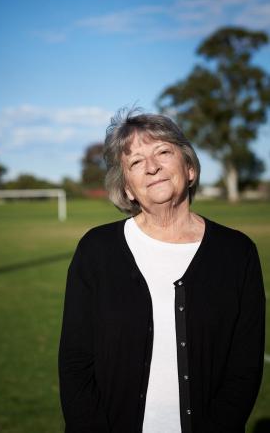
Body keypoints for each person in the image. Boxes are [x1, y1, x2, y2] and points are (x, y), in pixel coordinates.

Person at [58, 109, 265, 433]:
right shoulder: (96, 251)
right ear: (127, 188)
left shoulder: (237, 252)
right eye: (136, 162)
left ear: (190, 168)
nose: (152, 167)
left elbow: (244, 367)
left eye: (163, 152)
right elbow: (75, 364)